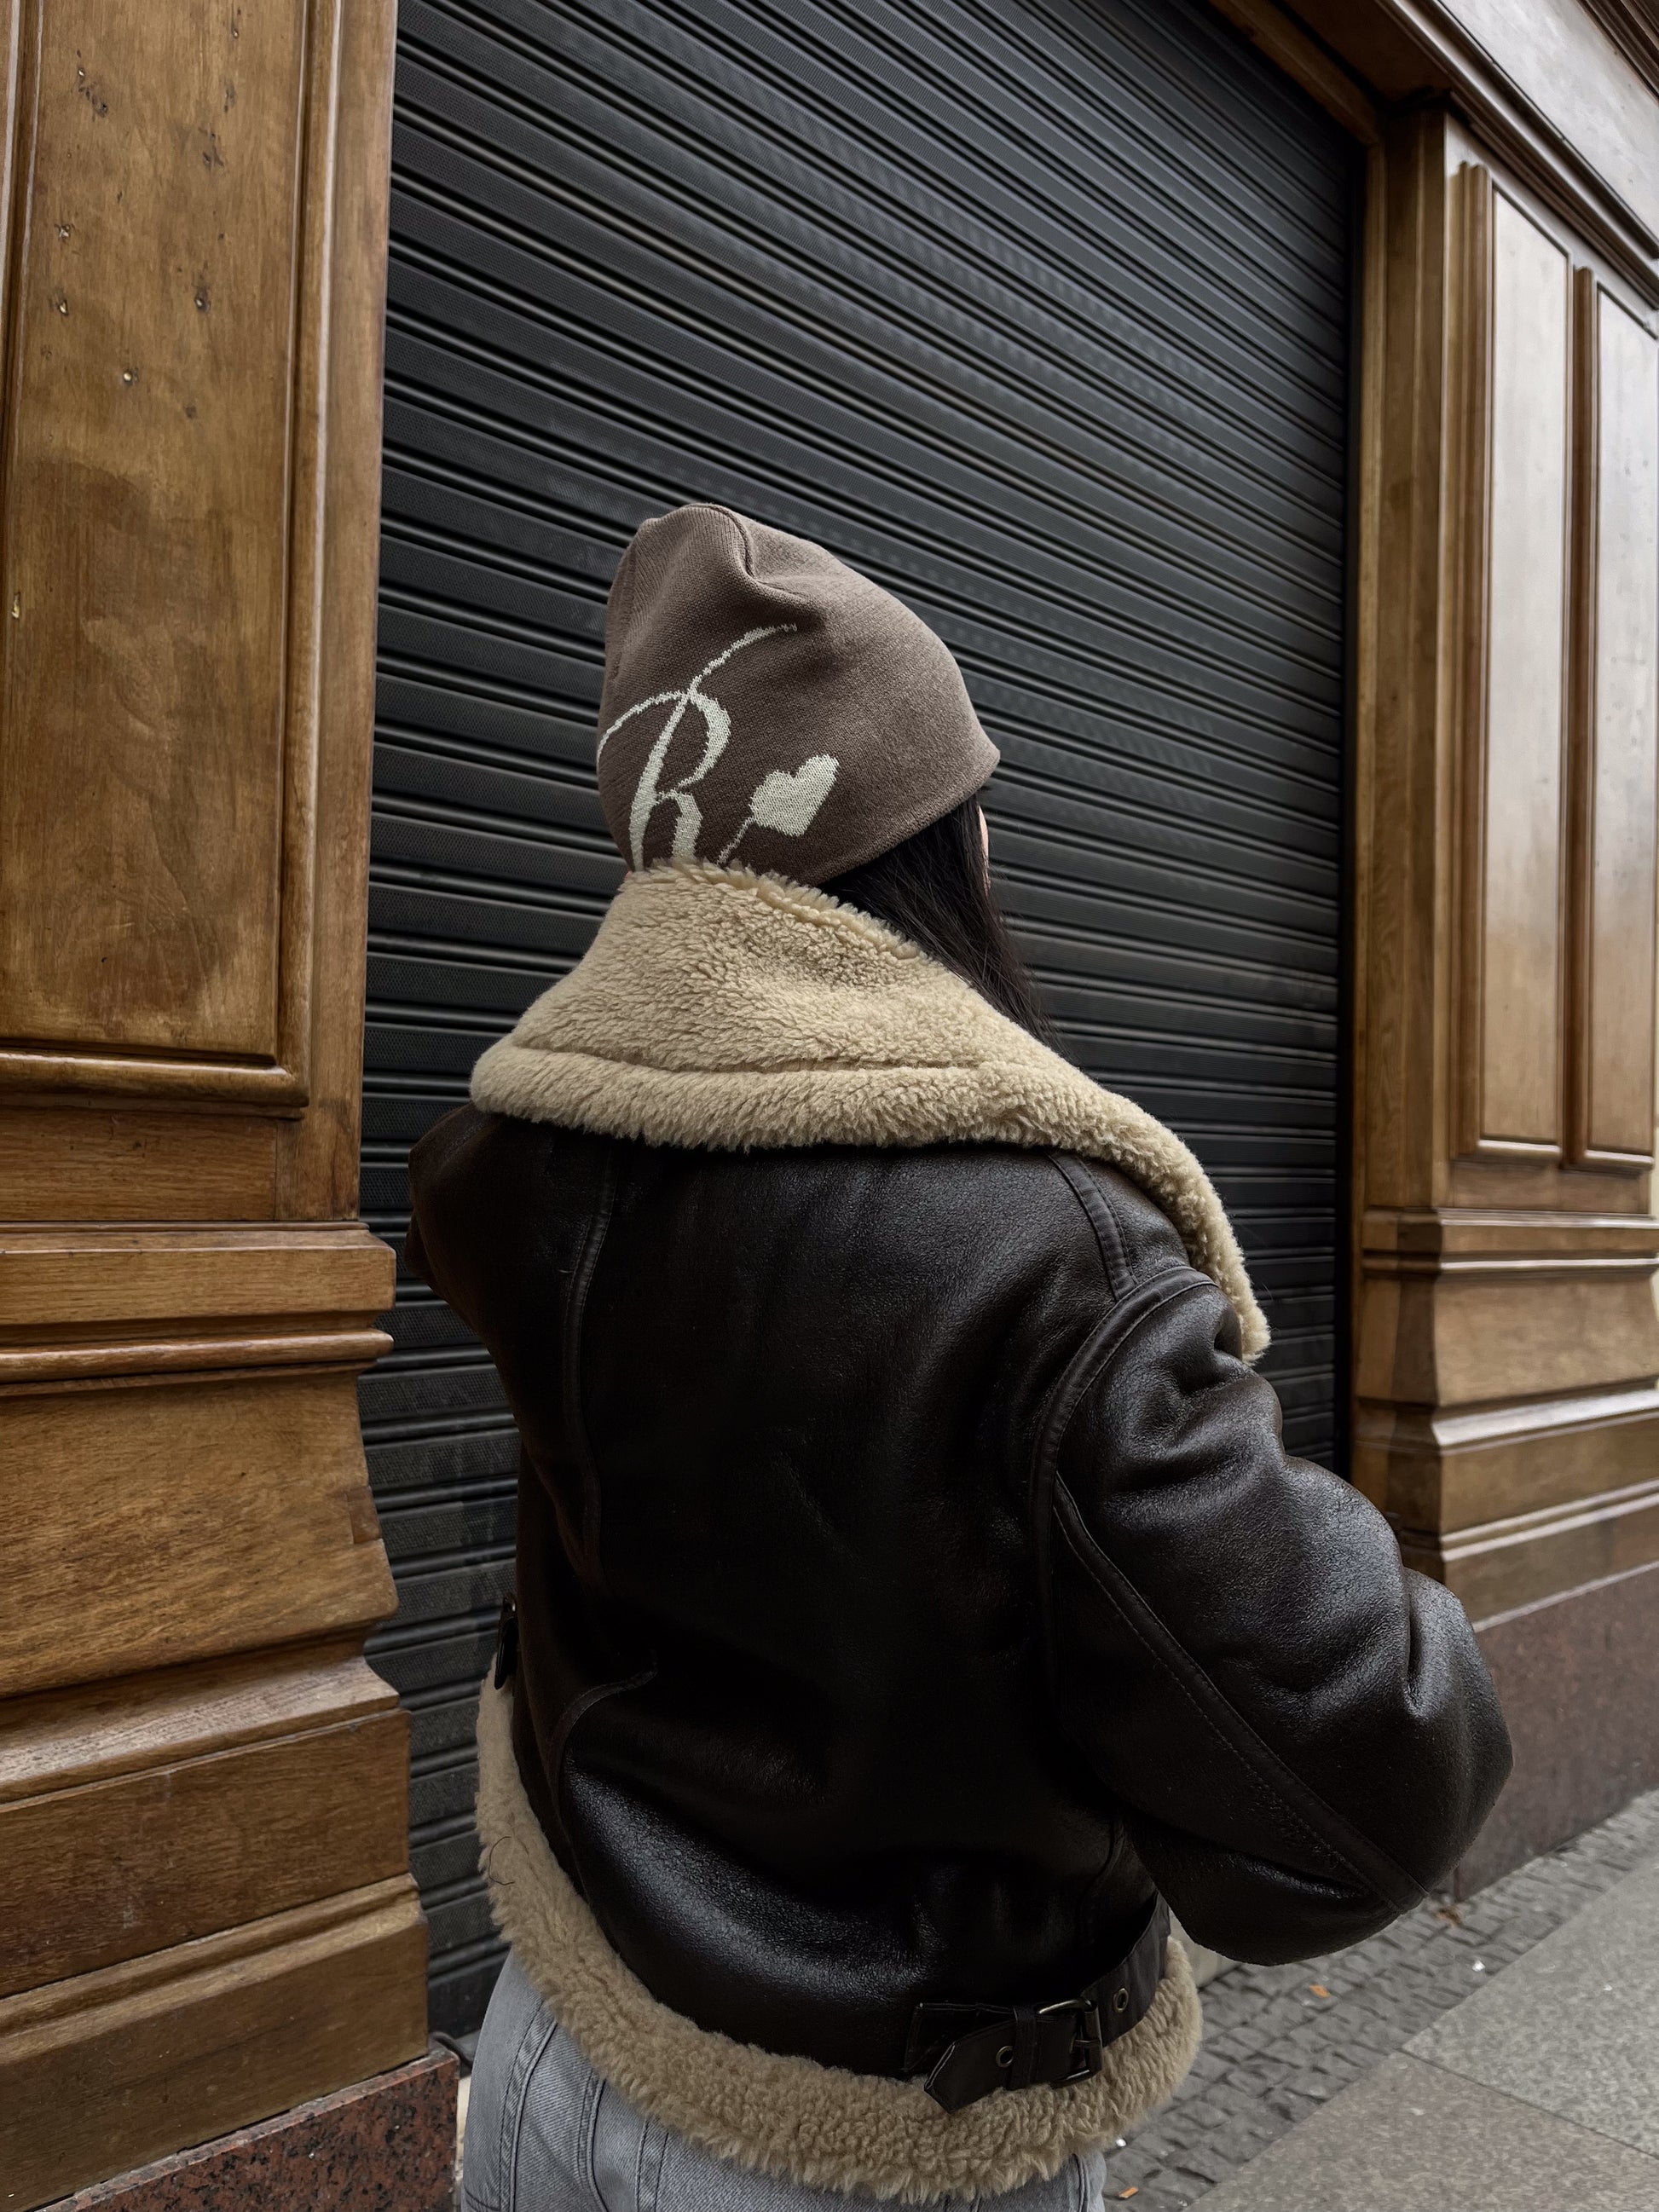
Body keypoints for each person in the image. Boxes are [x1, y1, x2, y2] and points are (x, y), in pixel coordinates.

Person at [406, 504, 1510, 2212]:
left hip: (553, 2045)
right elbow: (1369, 1767)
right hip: (857, 2139)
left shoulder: (521, 1165)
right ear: (931, 839)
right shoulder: (1052, 1249)